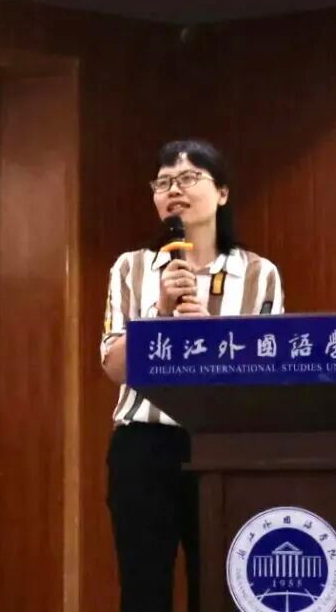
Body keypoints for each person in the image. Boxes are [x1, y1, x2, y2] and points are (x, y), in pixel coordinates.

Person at [100, 139, 285, 612]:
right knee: (144, 590)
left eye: (188, 178)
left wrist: (214, 339)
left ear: (222, 193)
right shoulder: (132, 268)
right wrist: (161, 314)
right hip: (145, 446)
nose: (174, 190)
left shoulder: (259, 274)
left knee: (221, 590)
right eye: (163, 182)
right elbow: (114, 366)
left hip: (224, 444)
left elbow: (270, 375)